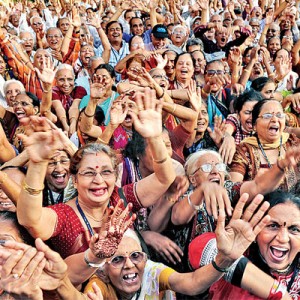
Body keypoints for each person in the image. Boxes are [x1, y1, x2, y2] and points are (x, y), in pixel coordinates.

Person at [16, 89, 176, 286]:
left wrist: (155, 138)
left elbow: (164, 178)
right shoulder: (65, 216)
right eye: (89, 173)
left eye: (106, 172)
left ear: (115, 176)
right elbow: (29, 219)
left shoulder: (120, 199)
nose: (98, 180)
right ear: (74, 180)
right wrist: (38, 164)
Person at [85, 196, 292, 300]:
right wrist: (225, 260)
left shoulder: (150, 271)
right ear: (103, 270)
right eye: (118, 259)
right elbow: (192, 279)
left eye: (136, 256)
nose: (282, 238)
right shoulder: (98, 286)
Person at [189, 190, 300, 299]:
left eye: (294, 229)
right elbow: (197, 248)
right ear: (256, 231)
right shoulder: (237, 252)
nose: (283, 238)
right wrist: (278, 293)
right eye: (273, 226)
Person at [230, 99, 300, 191]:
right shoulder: (244, 150)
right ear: (254, 125)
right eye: (267, 116)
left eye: (279, 115)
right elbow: (233, 188)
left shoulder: (293, 142)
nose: (275, 119)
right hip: (260, 203)